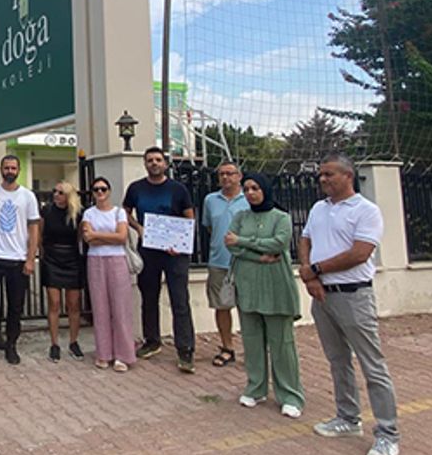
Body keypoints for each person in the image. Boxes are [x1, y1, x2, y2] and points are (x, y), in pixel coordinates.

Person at [299, 153, 400, 455]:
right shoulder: (318, 208)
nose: (322, 179)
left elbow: (360, 253)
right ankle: (347, 417)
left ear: (348, 176)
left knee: (372, 364)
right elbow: (305, 239)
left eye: (329, 174)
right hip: (322, 296)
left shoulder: (366, 211)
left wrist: (316, 269)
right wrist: (309, 275)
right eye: (320, 175)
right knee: (338, 360)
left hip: (354, 296)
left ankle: (387, 434)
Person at [225, 173, 304, 417]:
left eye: (255, 188)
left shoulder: (281, 217)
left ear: (265, 190)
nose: (250, 193)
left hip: (275, 286)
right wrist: (258, 256)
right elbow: (230, 245)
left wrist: (243, 241)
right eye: (247, 189)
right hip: (247, 285)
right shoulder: (240, 217)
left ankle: (290, 395)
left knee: (282, 344)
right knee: (252, 341)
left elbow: (279, 244)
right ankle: (256, 388)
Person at [123, 146, 197, 374]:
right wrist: (138, 228)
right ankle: (152, 341)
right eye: (150, 160)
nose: (154, 163)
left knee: (179, 300)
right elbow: (125, 212)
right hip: (148, 250)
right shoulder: (136, 188)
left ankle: (185, 350)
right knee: (149, 297)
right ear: (145, 164)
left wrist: (180, 243)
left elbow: (189, 218)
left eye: (157, 160)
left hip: (175, 254)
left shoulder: (178, 189)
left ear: (165, 164)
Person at [0, 155, 41, 366]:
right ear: (1, 169)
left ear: (18, 170)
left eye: (13, 168)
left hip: (18, 259)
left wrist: (30, 258)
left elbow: (34, 228)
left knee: (15, 306)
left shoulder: (28, 196)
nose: (10, 171)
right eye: (6, 168)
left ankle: (11, 345)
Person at [81, 177, 135, 371]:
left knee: (121, 308)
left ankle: (123, 355)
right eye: (96, 189)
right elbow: (87, 238)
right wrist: (107, 237)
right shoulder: (88, 213)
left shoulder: (119, 212)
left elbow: (121, 237)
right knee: (100, 308)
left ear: (109, 191)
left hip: (117, 260)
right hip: (95, 260)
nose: (100, 192)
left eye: (103, 189)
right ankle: (103, 353)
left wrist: (97, 235)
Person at [202, 161, 248, 368]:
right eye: (222, 174)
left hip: (246, 262)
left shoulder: (248, 199)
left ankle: (253, 349)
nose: (226, 177)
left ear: (239, 176)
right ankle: (227, 347)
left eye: (230, 173)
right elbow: (209, 227)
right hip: (218, 262)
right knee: (221, 306)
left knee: (248, 308)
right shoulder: (210, 200)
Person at [40, 181, 84, 362]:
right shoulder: (47, 211)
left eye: (60, 192)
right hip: (52, 258)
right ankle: (54, 344)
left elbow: (80, 237)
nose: (56, 195)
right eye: (55, 191)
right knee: (54, 303)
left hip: (72, 258)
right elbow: (40, 235)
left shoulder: (78, 214)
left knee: (73, 304)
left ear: (68, 196)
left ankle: (74, 342)